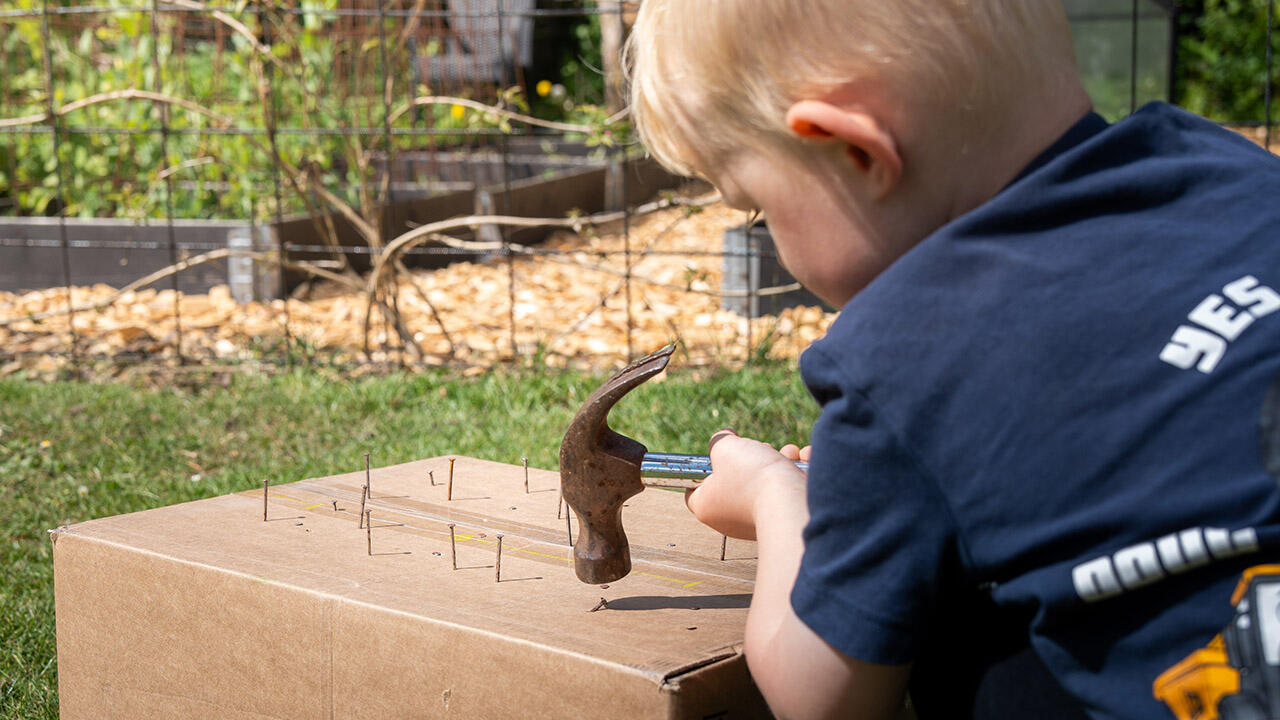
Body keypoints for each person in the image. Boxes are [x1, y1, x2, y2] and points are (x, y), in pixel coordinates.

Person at [626, 1, 1280, 719]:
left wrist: (777, 497)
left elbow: (824, 700)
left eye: (757, 210)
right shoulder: (1233, 172)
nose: (770, 243)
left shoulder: (902, 361)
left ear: (857, 153)